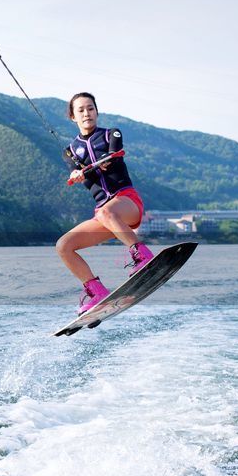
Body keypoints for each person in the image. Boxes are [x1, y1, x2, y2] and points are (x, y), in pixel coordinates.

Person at [55, 92, 154, 313]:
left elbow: (113, 154)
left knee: (106, 213)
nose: (86, 113)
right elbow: (73, 171)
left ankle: (142, 255)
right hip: (104, 214)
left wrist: (104, 161)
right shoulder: (70, 152)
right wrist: (76, 174)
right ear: (73, 117)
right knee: (64, 245)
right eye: (80, 110)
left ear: (97, 112)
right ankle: (96, 290)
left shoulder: (112, 134)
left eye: (90, 108)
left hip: (127, 202)